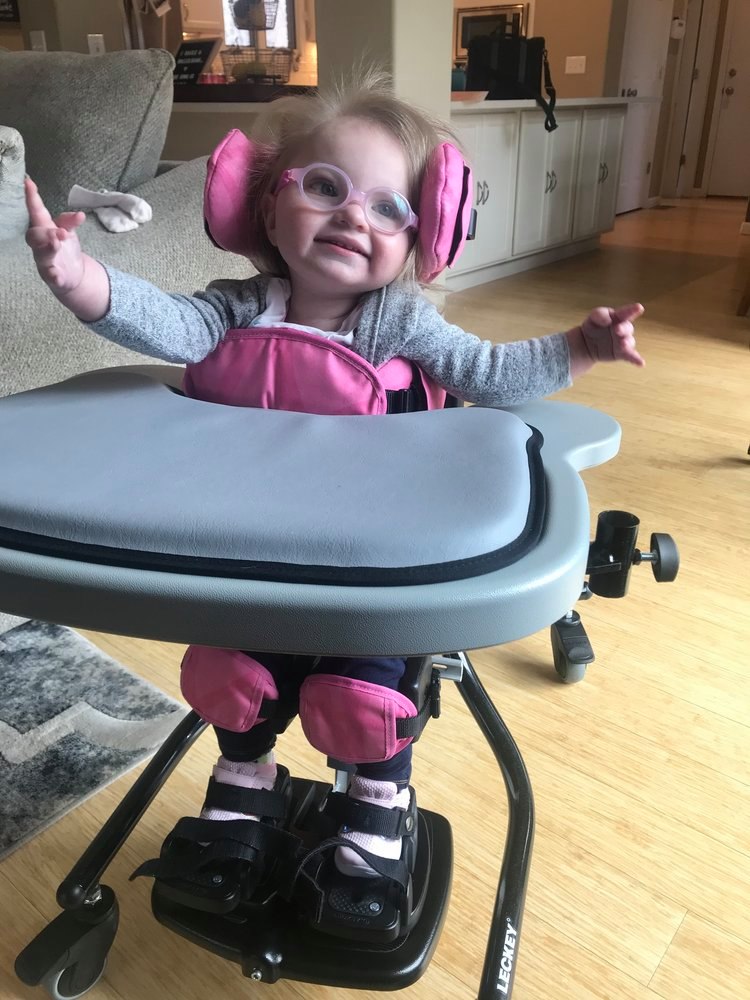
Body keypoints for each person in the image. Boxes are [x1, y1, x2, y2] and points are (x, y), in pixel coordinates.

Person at [24, 70, 644, 902]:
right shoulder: (237, 308)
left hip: (372, 560)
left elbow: (491, 376)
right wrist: (76, 276)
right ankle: (244, 784)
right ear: (267, 206)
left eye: (389, 207)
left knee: (361, 700)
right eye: (325, 187)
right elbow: (162, 322)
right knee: (228, 680)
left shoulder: (402, 323)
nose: (354, 215)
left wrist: (581, 347)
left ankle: (377, 803)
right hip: (249, 547)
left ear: (421, 237)